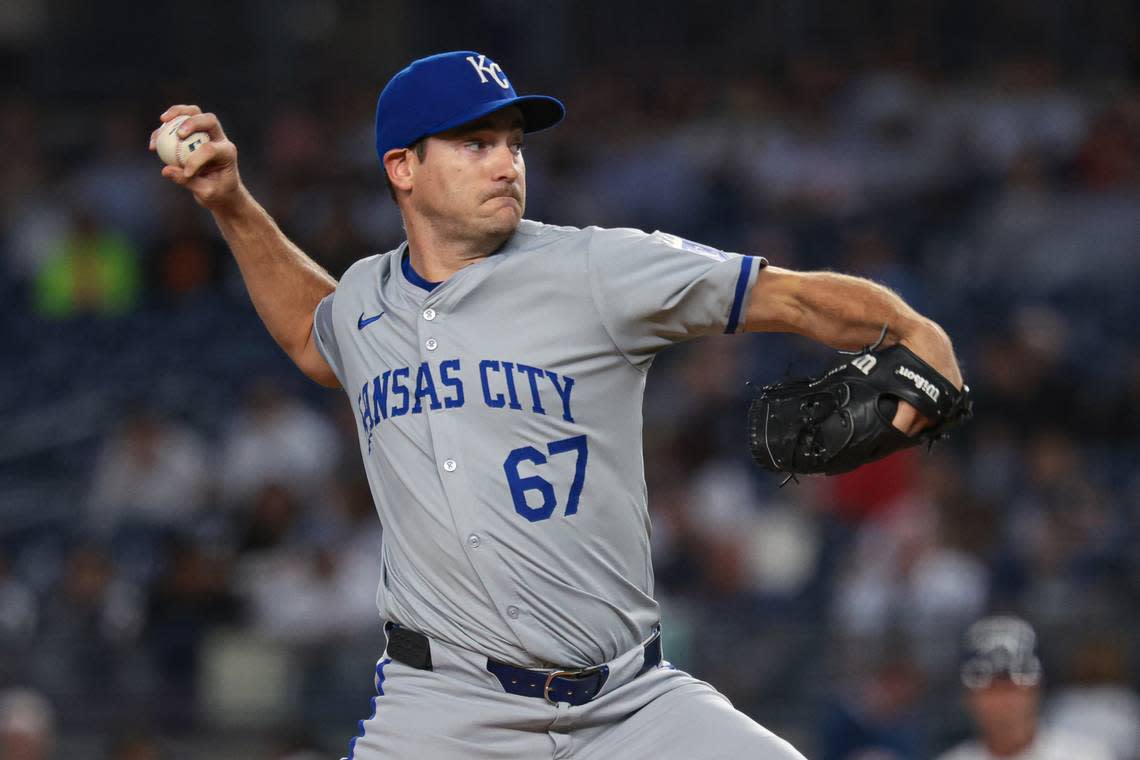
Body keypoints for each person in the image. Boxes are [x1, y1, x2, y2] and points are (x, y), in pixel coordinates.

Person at [151, 50, 962, 759]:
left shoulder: (595, 269)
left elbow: (787, 297)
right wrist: (229, 202)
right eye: (475, 144)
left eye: (513, 144)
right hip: (443, 711)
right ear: (403, 167)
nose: (507, 164)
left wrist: (916, 331)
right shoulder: (367, 299)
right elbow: (309, 332)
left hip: (629, 706)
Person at [935, 615, 1114, 760]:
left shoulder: (1087, 755)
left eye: (1012, 688)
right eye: (990, 690)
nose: (1002, 702)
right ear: (968, 697)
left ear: (1037, 688)